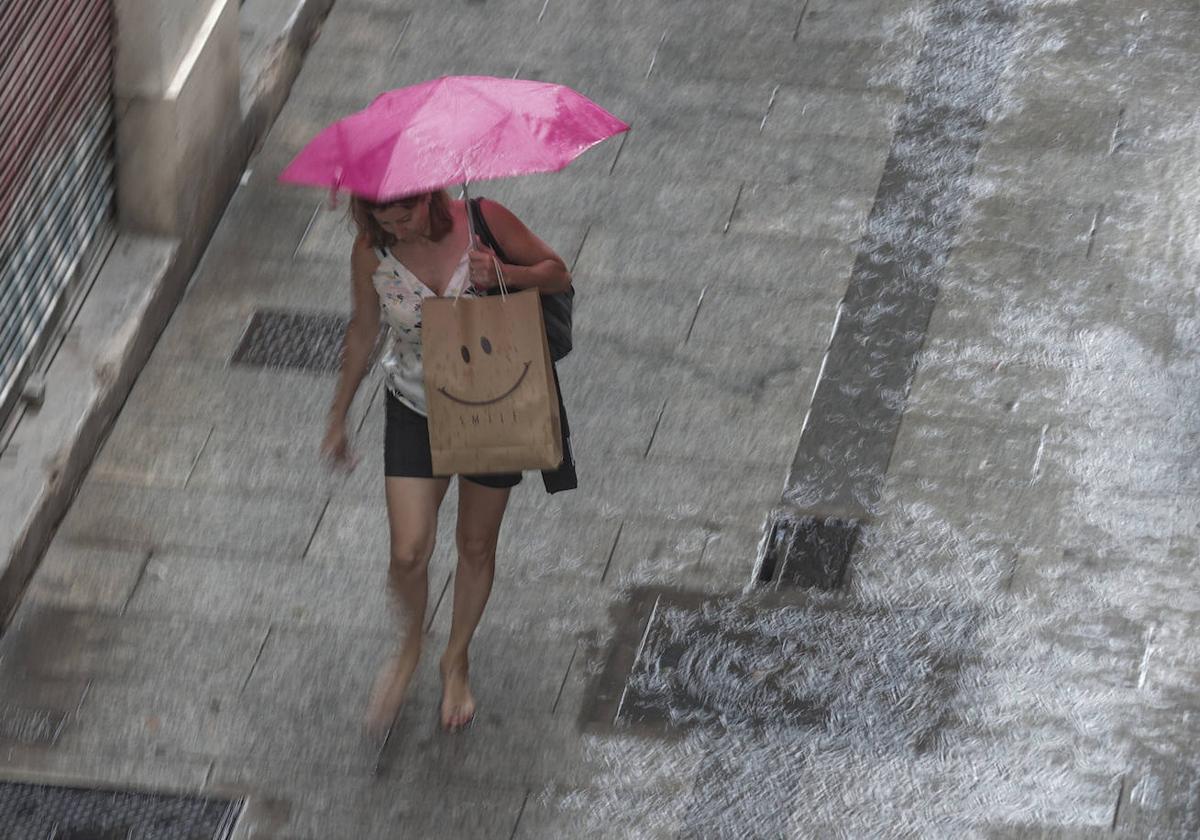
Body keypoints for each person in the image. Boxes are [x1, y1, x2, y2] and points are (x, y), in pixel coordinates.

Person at [320, 189, 572, 734]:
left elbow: (557, 273)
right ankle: (411, 642)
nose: (399, 228)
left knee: (476, 544)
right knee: (408, 552)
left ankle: (455, 657)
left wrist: (503, 271)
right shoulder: (371, 250)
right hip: (415, 407)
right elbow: (364, 331)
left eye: (405, 214)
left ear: (429, 197)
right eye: (383, 218)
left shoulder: (485, 220)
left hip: (494, 404)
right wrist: (338, 415)